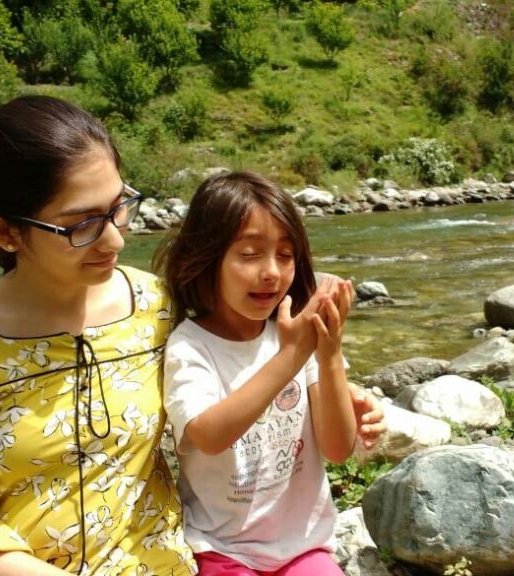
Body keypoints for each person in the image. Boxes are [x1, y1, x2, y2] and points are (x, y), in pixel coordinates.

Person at [0, 96, 383, 576]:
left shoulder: (157, 306)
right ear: (6, 233)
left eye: (120, 208)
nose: (115, 239)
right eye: (83, 225)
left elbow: (245, 349)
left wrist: (341, 391)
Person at [154, 171, 361, 576]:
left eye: (285, 255)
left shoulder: (300, 334)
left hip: (303, 547)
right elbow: (209, 436)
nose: (271, 272)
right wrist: (292, 355)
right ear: (208, 258)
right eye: (249, 254)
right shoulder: (192, 345)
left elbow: (338, 448)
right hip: (222, 548)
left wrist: (330, 354)